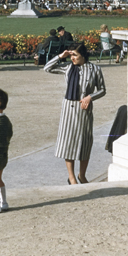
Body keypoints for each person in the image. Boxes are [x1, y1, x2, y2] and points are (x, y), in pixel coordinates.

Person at [44, 44, 106, 185]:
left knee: (85, 142)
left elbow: (102, 89)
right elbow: (47, 68)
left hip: (84, 109)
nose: (72, 58)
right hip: (68, 108)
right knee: (68, 142)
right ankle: (71, 177)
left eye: (75, 55)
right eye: (71, 55)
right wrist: (61, 56)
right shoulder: (67, 67)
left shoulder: (95, 69)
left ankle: (82, 175)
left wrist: (90, 97)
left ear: (83, 56)